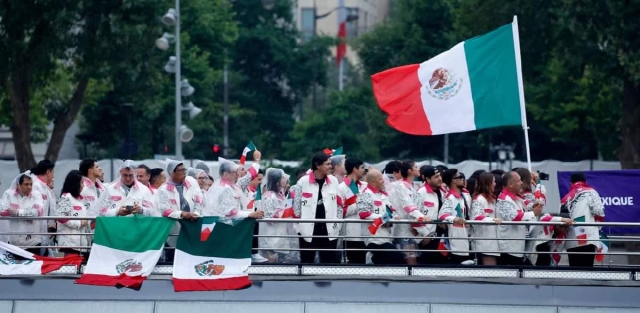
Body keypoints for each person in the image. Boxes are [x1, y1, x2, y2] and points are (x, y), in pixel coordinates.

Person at [291, 152, 342, 264]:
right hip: (308, 230)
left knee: (329, 264)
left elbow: (339, 204)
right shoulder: (302, 182)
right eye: (327, 164)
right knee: (306, 263)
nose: (331, 167)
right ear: (318, 165)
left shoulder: (333, 181)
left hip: (329, 230)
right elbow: (296, 206)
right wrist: (299, 228)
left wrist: (337, 224)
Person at [157, 159, 204, 262]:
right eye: (181, 170)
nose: (184, 172)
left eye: (184, 170)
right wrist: (181, 214)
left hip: (192, 228)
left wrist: (196, 213)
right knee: (173, 259)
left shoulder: (191, 181)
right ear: (172, 172)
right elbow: (164, 210)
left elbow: (199, 200)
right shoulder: (163, 189)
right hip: (174, 231)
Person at [357, 169, 405, 265]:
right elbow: (363, 213)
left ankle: (373, 261)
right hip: (373, 239)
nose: (383, 181)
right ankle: (371, 259)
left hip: (386, 237)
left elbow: (392, 211)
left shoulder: (383, 195)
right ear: (373, 182)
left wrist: (393, 219)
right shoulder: (366, 194)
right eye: (380, 179)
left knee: (388, 261)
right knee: (398, 257)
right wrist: (384, 218)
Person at [561, 172, 604, 267]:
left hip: (572, 239)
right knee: (587, 272)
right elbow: (599, 211)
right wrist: (598, 227)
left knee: (574, 272)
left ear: (571, 184)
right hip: (588, 238)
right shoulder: (591, 192)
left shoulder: (565, 198)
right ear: (586, 182)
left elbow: (562, 220)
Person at [390, 160, 429, 265]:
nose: (419, 169)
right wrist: (422, 218)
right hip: (403, 229)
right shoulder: (401, 186)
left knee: (412, 260)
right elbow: (408, 206)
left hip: (412, 229)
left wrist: (419, 225)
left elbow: (416, 207)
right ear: (409, 171)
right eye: (416, 167)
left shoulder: (413, 187)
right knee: (411, 261)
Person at [206, 154, 264, 221]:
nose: (237, 174)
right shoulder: (224, 188)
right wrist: (250, 214)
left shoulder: (234, 186)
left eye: (238, 171)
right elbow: (230, 212)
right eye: (235, 171)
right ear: (225, 174)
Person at [258, 168, 298, 263]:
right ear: (276, 181)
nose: (285, 180)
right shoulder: (269, 196)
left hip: (279, 233)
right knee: (270, 260)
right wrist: (284, 211)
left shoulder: (280, 195)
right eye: (282, 178)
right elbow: (269, 216)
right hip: (271, 234)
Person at [0, 172, 45, 255]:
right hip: (13, 243)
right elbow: (2, 211)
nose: (29, 187)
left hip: (32, 243)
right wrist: (28, 212)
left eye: (31, 184)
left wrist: (17, 212)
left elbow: (38, 212)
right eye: (26, 184)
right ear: (19, 185)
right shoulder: (8, 194)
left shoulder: (36, 195)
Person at [55, 170, 91, 258]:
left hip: (80, 244)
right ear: (75, 183)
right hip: (69, 244)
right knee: (70, 269)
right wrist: (79, 223)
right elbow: (61, 217)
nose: (83, 185)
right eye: (82, 183)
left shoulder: (79, 199)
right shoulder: (66, 197)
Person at [339, 158, 368, 264]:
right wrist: (359, 204)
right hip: (350, 234)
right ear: (354, 169)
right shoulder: (341, 187)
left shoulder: (364, 186)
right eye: (361, 168)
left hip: (365, 233)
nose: (364, 170)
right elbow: (341, 212)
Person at [439, 169, 471, 264]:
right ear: (453, 180)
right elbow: (442, 215)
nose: (463, 179)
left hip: (465, 235)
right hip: (455, 239)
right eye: (460, 177)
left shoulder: (463, 196)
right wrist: (454, 219)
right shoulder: (450, 197)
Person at [416, 165, 447, 264]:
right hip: (425, 238)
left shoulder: (443, 192)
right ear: (427, 179)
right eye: (436, 177)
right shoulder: (421, 192)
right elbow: (414, 215)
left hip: (440, 236)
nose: (440, 179)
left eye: (439, 176)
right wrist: (426, 234)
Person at [470, 172, 502, 265]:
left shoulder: (493, 199)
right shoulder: (478, 199)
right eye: (493, 182)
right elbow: (476, 217)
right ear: (487, 183)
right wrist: (492, 220)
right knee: (490, 269)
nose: (495, 184)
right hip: (483, 242)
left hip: (492, 241)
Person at [30, 160, 57, 253]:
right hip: (34, 234)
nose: (53, 175)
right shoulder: (35, 186)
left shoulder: (46, 188)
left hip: (45, 233)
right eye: (53, 172)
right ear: (48, 172)